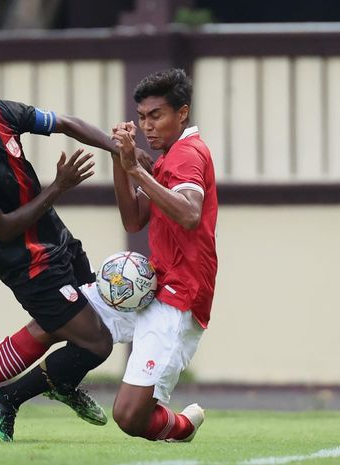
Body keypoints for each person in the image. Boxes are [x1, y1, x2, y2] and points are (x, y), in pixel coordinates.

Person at [0, 63, 150, 441]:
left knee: (77, 326)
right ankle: (6, 398)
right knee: (96, 342)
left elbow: (63, 122)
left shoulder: (1, 115)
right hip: (29, 265)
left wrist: (116, 147)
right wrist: (58, 186)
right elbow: (3, 227)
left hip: (60, 243)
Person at [80, 68, 218, 442]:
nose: (147, 126)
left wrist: (137, 172)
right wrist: (119, 160)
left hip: (180, 297)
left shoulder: (188, 154)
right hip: (155, 287)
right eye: (142, 118)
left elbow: (189, 213)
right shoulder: (167, 157)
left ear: (183, 113)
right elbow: (133, 219)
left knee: (128, 416)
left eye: (156, 115)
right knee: (65, 314)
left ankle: (183, 426)